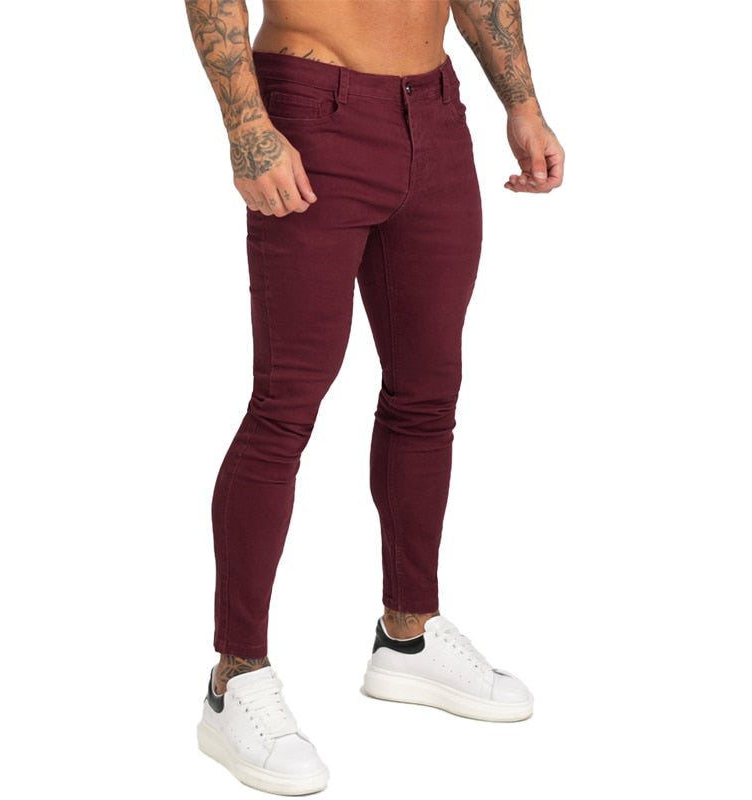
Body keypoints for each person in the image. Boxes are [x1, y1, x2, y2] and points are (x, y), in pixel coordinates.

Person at [184, 0, 564, 794]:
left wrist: (523, 103)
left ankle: (409, 634)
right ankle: (235, 675)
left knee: (427, 393)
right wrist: (247, 124)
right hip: (311, 108)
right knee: (286, 405)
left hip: (435, 112)